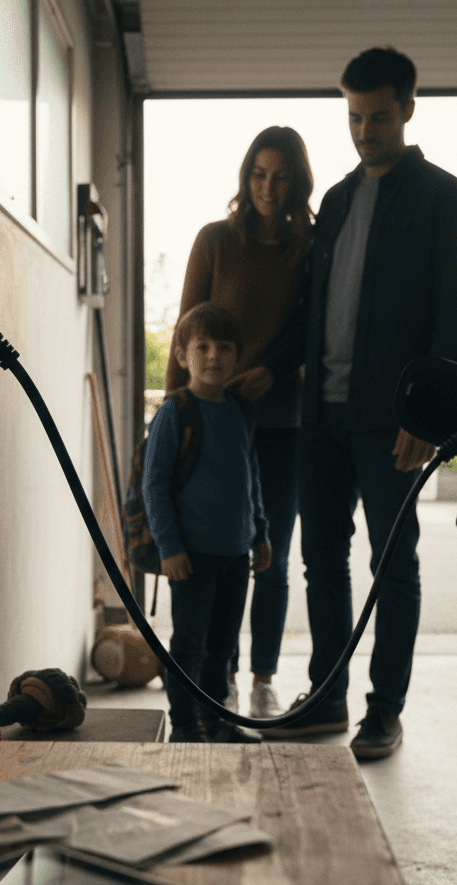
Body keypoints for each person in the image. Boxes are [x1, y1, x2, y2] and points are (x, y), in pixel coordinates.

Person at [261, 47, 457, 758]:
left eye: (378, 116)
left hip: (393, 425)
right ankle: (326, 698)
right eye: (354, 116)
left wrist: (430, 415)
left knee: (395, 565)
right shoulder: (338, 200)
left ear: (408, 109)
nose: (364, 131)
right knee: (321, 563)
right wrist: (264, 367)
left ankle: (384, 710)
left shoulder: (446, 198)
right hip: (319, 421)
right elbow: (313, 307)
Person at [165, 126, 313, 720]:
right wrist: (174, 420)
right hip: (209, 422)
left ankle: (262, 678)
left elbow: (309, 329)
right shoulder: (216, 242)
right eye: (258, 174)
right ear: (244, 178)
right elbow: (186, 328)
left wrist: (273, 373)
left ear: (297, 182)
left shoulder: (309, 249)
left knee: (267, 551)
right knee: (209, 552)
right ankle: (213, 677)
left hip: (279, 424)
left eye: (280, 176)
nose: (268, 187)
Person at [145, 302, 273, 743]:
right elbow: (155, 484)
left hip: (237, 554)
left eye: (224, 347)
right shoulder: (175, 413)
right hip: (192, 556)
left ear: (238, 357)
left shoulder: (239, 411)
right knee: (188, 645)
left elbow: (250, 475)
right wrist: (169, 547)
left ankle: (217, 720)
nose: (214, 356)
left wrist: (262, 533)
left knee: (223, 647)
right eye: (202, 347)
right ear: (183, 356)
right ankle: (185, 724)